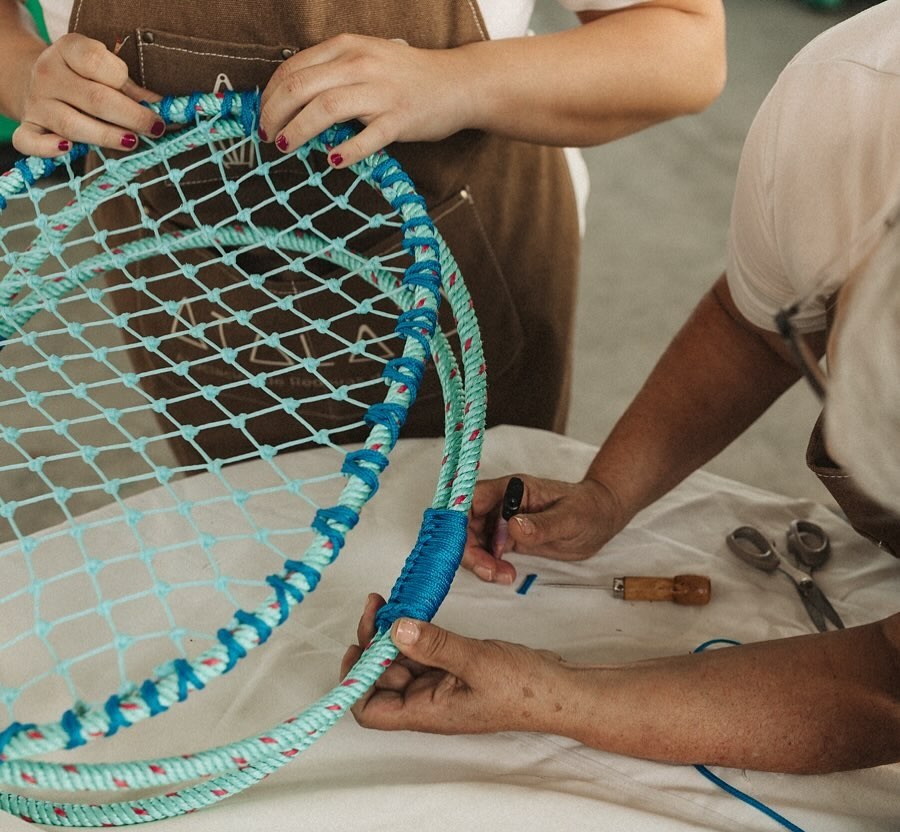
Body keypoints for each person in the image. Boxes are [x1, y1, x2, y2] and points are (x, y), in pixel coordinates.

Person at [342, 0, 900, 775]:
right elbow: (758, 326)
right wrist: (608, 494)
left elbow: (888, 686)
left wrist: (548, 697)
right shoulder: (839, 115)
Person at [0, 0, 726, 461]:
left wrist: (458, 81)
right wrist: (27, 71)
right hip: (198, 313)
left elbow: (686, 45)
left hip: (469, 276)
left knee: (474, 570)